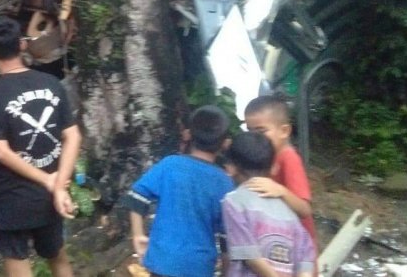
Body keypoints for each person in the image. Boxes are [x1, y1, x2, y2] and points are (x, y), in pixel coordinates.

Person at [0, 17, 81, 277]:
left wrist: (49, 182)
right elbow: (74, 137)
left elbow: (1, 152)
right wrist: (58, 184)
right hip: (52, 196)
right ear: (22, 45)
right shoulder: (51, 83)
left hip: (14, 196)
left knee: (17, 262)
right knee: (58, 258)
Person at [124, 105, 234, 277]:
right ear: (226, 143)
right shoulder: (224, 182)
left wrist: (138, 236)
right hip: (198, 267)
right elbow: (226, 237)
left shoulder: (170, 165)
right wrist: (227, 271)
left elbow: (137, 198)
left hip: (161, 260)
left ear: (187, 134)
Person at [222, 131, 316, 277]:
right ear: (273, 168)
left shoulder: (234, 202)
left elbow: (249, 255)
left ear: (230, 168)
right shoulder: (289, 210)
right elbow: (306, 256)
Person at [243, 95, 317, 249]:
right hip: (277, 239)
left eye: (261, 131)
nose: (254, 138)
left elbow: (305, 209)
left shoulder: (288, 158)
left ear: (284, 131)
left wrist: (280, 191)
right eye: (250, 131)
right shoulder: (264, 155)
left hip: (299, 248)